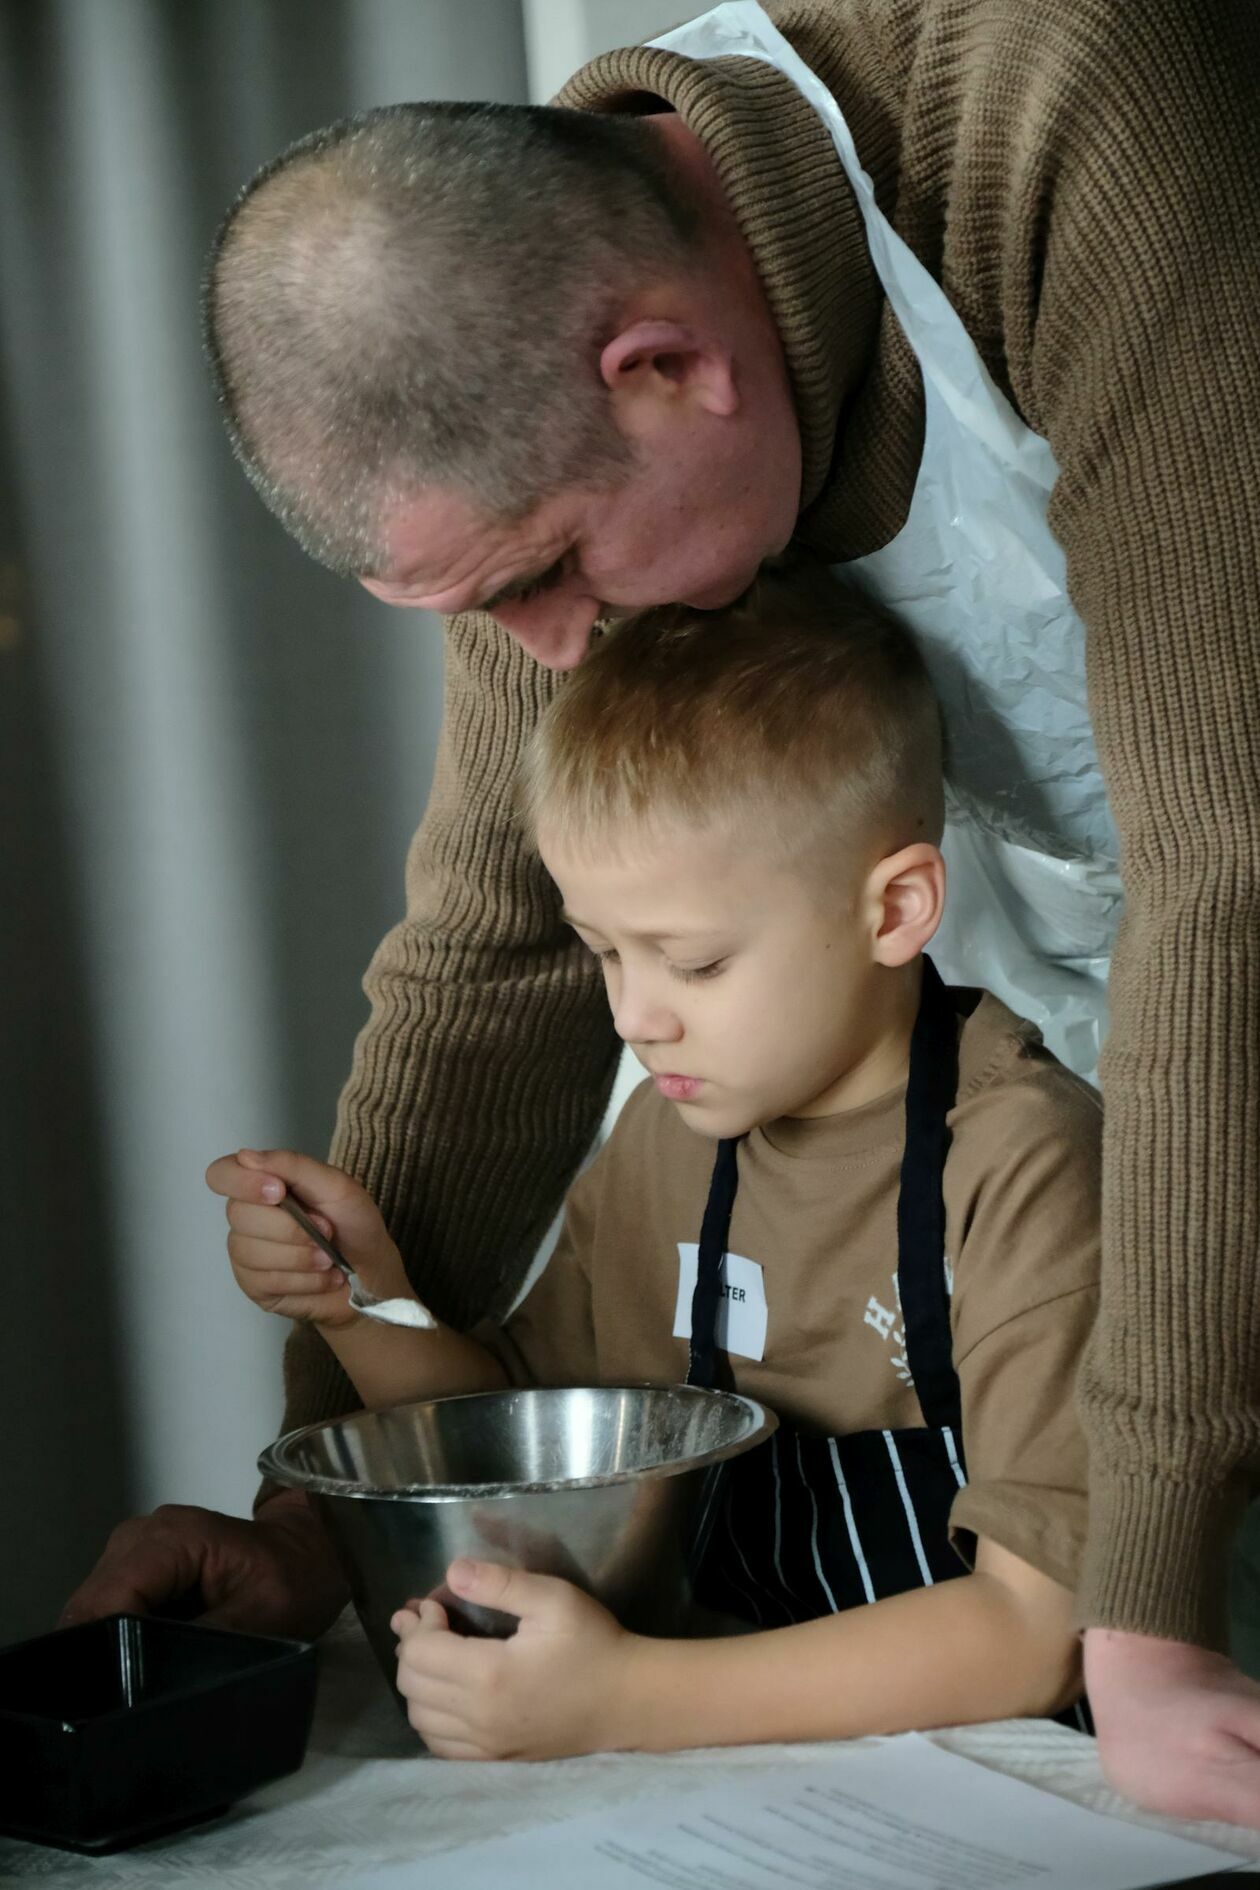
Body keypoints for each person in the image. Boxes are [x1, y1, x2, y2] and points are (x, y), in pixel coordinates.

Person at [64, 0, 1260, 1823]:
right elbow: (491, 952)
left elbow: (1228, 859)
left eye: (545, 573)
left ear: (669, 369)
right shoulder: (527, 299)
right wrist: (324, 1522)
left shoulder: (1068, 111)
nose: (550, 651)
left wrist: (1151, 1619)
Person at [208, 571, 1098, 1758]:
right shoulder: (666, 1144)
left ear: (894, 911)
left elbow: (1036, 1633)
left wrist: (622, 1700)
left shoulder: (1027, 1165)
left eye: (694, 962)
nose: (638, 1018)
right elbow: (523, 1442)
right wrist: (360, 1300)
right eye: (605, 954)